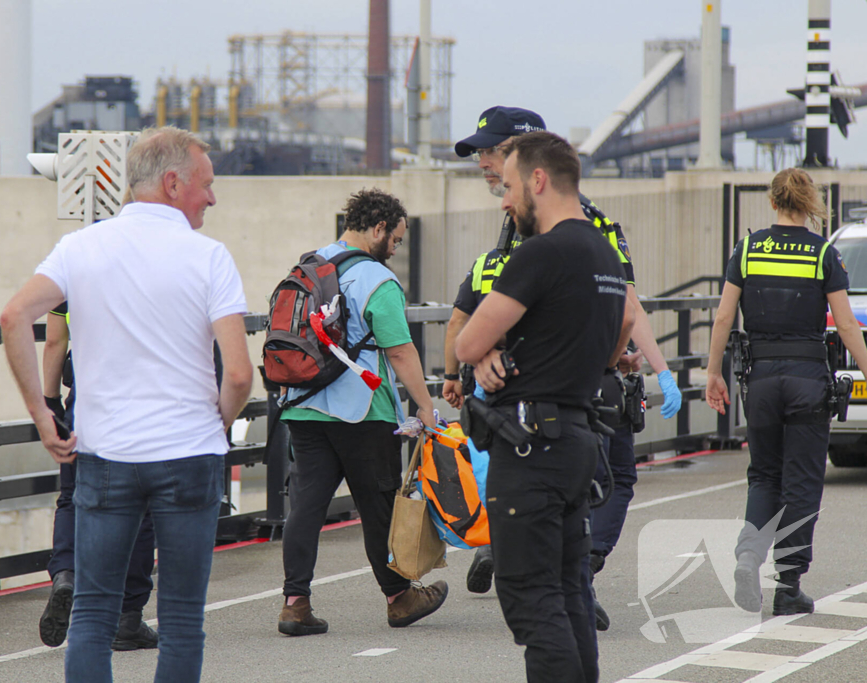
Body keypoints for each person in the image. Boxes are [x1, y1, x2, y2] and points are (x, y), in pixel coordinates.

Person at [1, 126, 253, 683]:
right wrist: (219, 422)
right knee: (183, 619)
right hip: (188, 454)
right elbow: (237, 373)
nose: (212, 197)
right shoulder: (209, 257)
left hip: (105, 455)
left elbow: (14, 318)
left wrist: (44, 416)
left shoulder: (81, 247)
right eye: (206, 185)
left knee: (92, 612)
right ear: (172, 183)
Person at [446, 106, 682, 631]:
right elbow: (503, 298)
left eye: (491, 153)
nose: (484, 165)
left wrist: (651, 368)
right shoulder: (520, 222)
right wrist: (485, 351)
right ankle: (567, 572)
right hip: (540, 398)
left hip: (561, 398)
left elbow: (625, 307)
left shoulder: (565, 225)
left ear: (526, 164)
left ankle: (572, 573)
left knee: (600, 491)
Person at [456, 131, 633, 683]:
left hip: (531, 449)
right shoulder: (604, 252)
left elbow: (465, 343)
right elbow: (626, 323)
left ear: (538, 180)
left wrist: (487, 350)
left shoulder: (542, 252)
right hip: (579, 438)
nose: (505, 201)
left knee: (530, 596)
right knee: (569, 589)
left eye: (508, 187)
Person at [277, 188, 448, 636]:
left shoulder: (310, 265)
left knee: (305, 507)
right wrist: (426, 408)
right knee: (378, 507)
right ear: (377, 229)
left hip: (304, 406)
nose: (395, 248)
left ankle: (295, 604)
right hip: (362, 411)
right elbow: (401, 352)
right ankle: (400, 598)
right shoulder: (377, 279)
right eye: (395, 239)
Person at [706, 167, 867, 616]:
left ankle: (747, 554)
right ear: (808, 203)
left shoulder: (749, 248)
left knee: (764, 474)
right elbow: (847, 324)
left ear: (773, 201)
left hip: (760, 379)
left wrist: (712, 372)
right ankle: (788, 586)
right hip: (807, 380)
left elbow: (723, 317)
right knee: (801, 482)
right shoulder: (823, 254)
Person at [38, 302, 158, 651]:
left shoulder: (72, 264)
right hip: (143, 401)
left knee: (73, 496)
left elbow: (55, 341)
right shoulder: (154, 259)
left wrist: (50, 401)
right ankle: (127, 617)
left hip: (86, 402)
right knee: (141, 505)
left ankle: (66, 574)